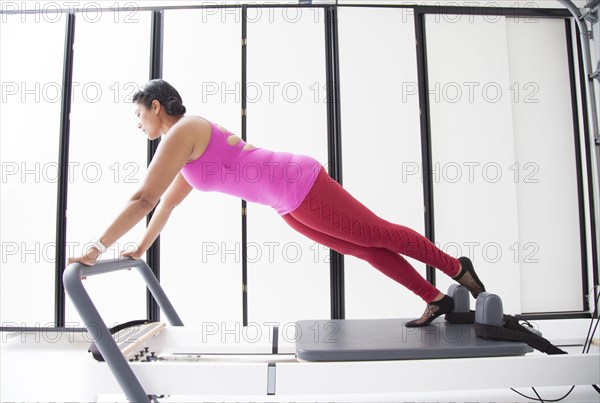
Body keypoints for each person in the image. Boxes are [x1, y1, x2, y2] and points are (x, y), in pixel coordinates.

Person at [67, 79, 486, 327]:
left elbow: (143, 197)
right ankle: (436, 298)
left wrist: (95, 247)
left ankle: (455, 267)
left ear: (156, 106)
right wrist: (140, 247)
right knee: (364, 248)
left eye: (138, 114)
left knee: (378, 233)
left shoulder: (184, 131)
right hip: (287, 204)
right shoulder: (185, 152)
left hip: (297, 182)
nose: (138, 124)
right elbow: (166, 205)